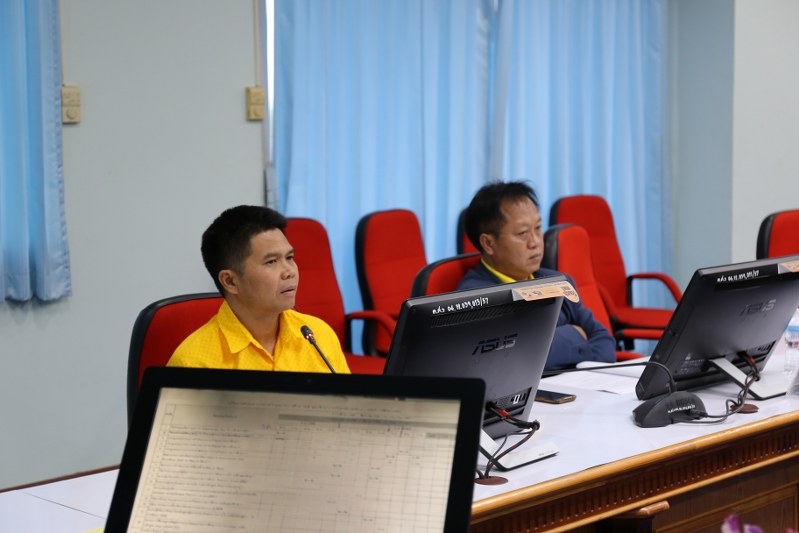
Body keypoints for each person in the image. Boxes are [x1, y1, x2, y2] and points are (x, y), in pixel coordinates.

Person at [168, 205, 350, 373]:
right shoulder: (193, 363)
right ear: (230, 281)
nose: (289, 272)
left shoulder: (317, 335)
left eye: (289, 257)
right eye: (271, 261)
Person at [458, 181, 615, 371]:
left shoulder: (559, 282)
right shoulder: (476, 298)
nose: (535, 242)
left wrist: (549, 349)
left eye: (538, 228)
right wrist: (575, 335)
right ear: (488, 244)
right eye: (523, 233)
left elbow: (606, 345)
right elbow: (510, 362)